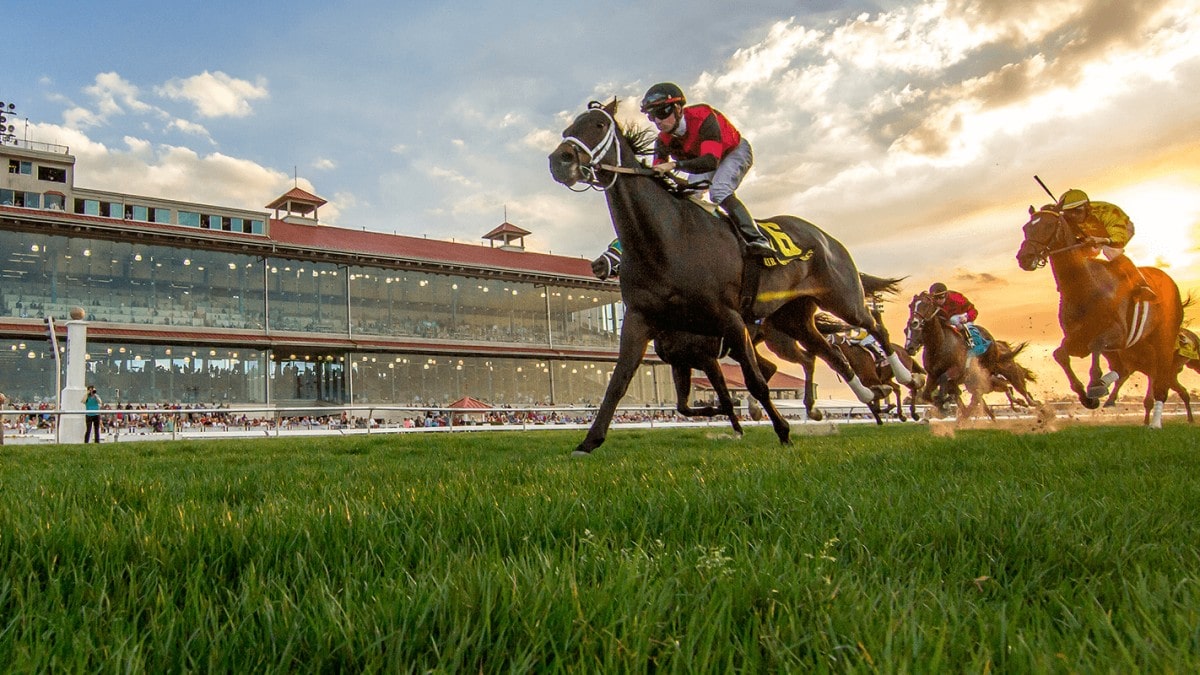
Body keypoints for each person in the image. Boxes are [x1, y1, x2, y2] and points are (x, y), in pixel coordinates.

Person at [640, 82, 775, 257]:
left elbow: (710, 161)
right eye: (652, 116)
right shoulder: (662, 140)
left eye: (662, 112)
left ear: (678, 109)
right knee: (690, 198)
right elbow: (659, 174)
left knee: (718, 190)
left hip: (733, 151)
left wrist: (674, 165)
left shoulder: (703, 116)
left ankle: (757, 238)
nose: (658, 121)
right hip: (704, 159)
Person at [1057, 188, 1155, 301]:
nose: (1074, 216)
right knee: (1081, 253)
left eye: (1078, 211)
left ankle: (1142, 285)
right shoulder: (1068, 219)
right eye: (1069, 213)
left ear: (1087, 208)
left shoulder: (1109, 213)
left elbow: (1119, 239)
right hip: (1093, 231)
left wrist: (1101, 240)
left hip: (1119, 229)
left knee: (1111, 251)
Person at [929, 282, 979, 347]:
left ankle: (970, 341)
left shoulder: (956, 298)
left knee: (953, 319)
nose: (938, 300)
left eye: (940, 297)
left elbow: (973, 310)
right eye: (935, 298)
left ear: (946, 294)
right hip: (948, 321)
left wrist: (967, 318)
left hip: (963, 318)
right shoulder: (933, 304)